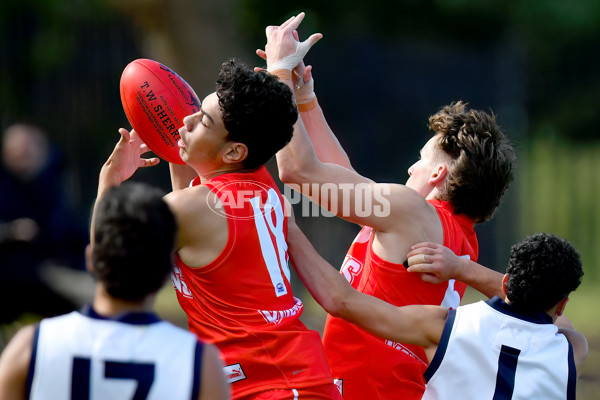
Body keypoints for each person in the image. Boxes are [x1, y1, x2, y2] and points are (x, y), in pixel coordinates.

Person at [261, 12, 517, 399]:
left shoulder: (412, 211)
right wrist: (304, 99)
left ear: (438, 175)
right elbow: (344, 177)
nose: (411, 166)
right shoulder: (458, 235)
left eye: (421, 159)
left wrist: (278, 74)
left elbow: (297, 171)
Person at [97, 59, 341, 399]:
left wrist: (110, 178)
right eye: (195, 111)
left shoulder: (192, 208)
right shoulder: (259, 182)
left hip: (269, 386)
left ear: (234, 151)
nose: (186, 119)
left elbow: (107, 257)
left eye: (201, 120)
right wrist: (182, 141)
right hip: (289, 373)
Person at [287, 228, 588, 399]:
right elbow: (557, 323)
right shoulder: (572, 349)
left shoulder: (445, 326)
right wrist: (466, 270)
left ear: (506, 282)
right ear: (562, 304)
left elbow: (340, 300)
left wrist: (288, 227)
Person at [0, 182, 230, 400]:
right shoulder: (200, 362)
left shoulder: (31, 347)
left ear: (91, 258)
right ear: (168, 270)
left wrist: (108, 179)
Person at [0, 122, 89, 327]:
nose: (27, 154)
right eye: (20, 149)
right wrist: (10, 232)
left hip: (46, 274)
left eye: (32, 147)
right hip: (7, 273)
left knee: (92, 302)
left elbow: (70, 230)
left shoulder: (50, 183)